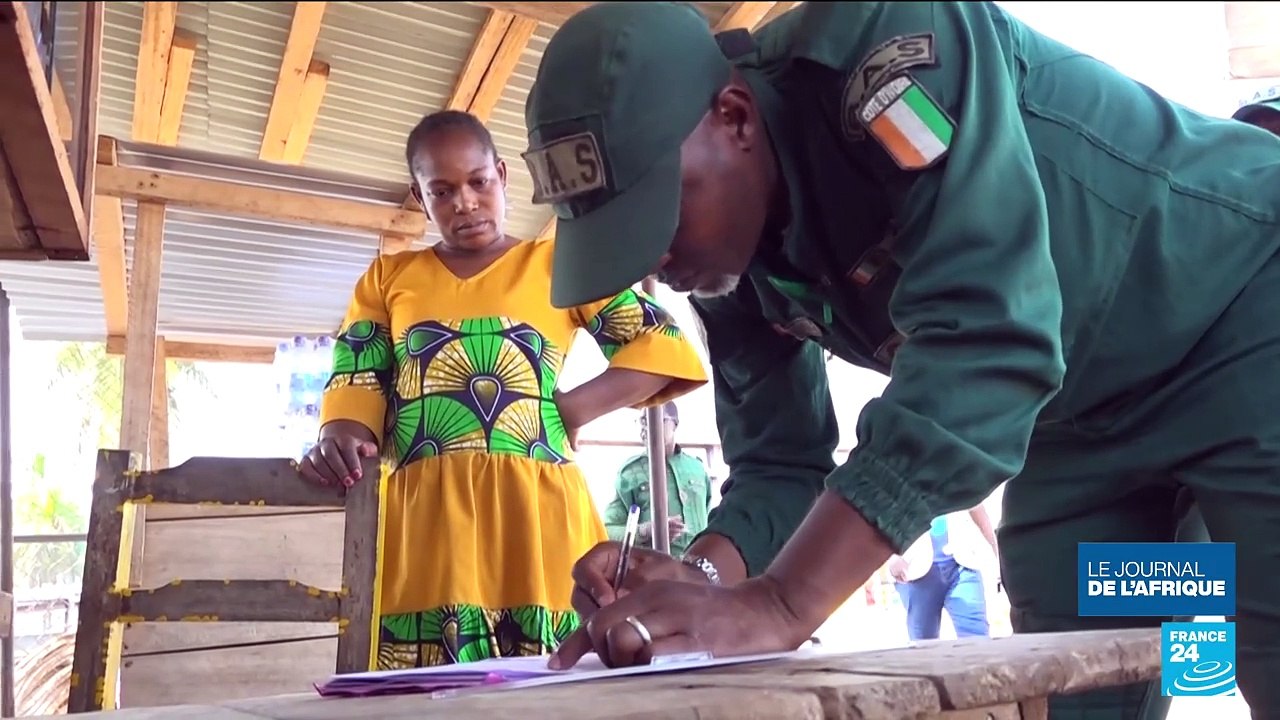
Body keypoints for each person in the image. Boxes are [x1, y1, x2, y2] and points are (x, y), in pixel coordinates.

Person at [522, 3, 1280, 718]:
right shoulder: (726, 265)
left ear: (734, 117)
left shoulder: (884, 48)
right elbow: (782, 460)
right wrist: (708, 580)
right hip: (1077, 428)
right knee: (1084, 679)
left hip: (1243, 314)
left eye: (660, 214)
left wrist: (781, 602)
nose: (653, 261)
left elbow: (984, 337)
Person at [298, 110, 708, 669]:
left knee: (550, 686)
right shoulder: (388, 279)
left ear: (503, 175)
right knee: (427, 693)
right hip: (426, 524)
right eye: (441, 191)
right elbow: (357, 377)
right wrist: (340, 431)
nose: (464, 203)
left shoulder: (558, 263)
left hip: (538, 518)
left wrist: (568, 410)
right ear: (420, 200)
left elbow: (661, 347)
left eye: (477, 182)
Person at [602, 401, 712, 557]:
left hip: (698, 568)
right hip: (655, 569)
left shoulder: (697, 468)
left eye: (657, 419)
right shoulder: (630, 473)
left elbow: (708, 519)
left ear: (675, 424)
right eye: (642, 421)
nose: (646, 427)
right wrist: (645, 531)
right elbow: (608, 529)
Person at [889, 507, 1000, 641]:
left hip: (962, 564)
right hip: (914, 570)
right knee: (924, 644)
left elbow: (977, 507)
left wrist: (997, 549)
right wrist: (891, 556)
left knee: (976, 636)